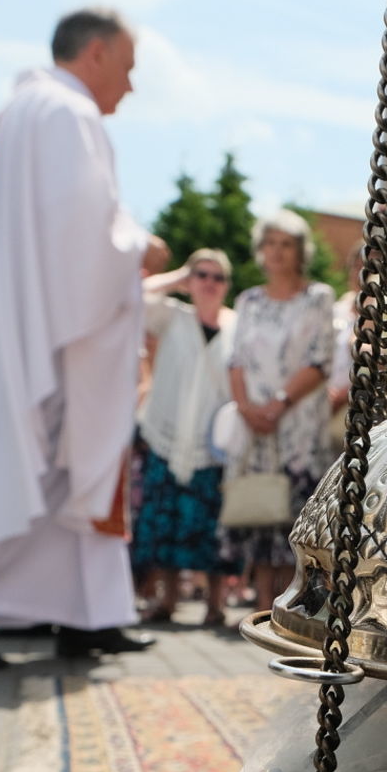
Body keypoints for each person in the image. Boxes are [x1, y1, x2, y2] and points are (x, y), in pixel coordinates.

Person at [0, 8, 152, 670]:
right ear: (95, 54)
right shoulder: (66, 115)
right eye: (127, 69)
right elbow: (85, 232)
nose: (129, 87)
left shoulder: (26, 110)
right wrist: (138, 247)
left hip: (20, 320)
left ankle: (86, 614)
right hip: (41, 333)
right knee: (23, 466)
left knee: (55, 472)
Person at [221, 209, 335, 615]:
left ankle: (296, 604)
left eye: (286, 244)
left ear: (300, 251)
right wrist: (248, 408)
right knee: (258, 509)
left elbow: (321, 361)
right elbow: (234, 360)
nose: (277, 251)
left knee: (296, 513)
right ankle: (260, 602)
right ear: (260, 250)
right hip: (254, 424)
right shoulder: (248, 300)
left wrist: (279, 404)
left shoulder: (317, 297)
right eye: (270, 243)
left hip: (298, 424)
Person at [133, 249, 236, 626]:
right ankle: (167, 601)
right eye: (201, 275)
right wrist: (178, 276)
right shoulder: (173, 317)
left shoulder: (236, 326)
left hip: (215, 444)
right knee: (166, 521)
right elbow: (134, 294)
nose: (209, 283)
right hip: (167, 434)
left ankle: (215, 604)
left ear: (227, 285)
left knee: (212, 526)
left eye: (217, 277)